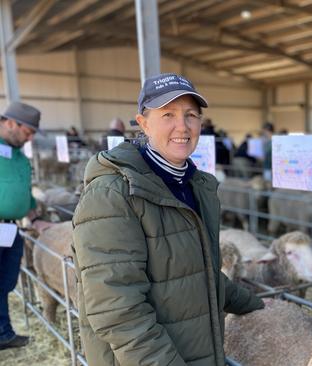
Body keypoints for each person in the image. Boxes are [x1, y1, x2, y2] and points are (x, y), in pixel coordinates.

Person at [71, 73, 264, 366]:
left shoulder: (197, 187)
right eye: (168, 115)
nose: (182, 127)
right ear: (143, 122)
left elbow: (199, 274)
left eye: (191, 115)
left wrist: (257, 305)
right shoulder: (112, 193)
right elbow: (117, 309)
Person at [0, 101, 40, 350]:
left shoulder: (17, 155)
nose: (30, 138)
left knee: (4, 282)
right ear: (11, 123)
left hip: (9, 228)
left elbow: (24, 191)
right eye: (28, 132)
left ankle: (3, 333)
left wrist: (35, 218)